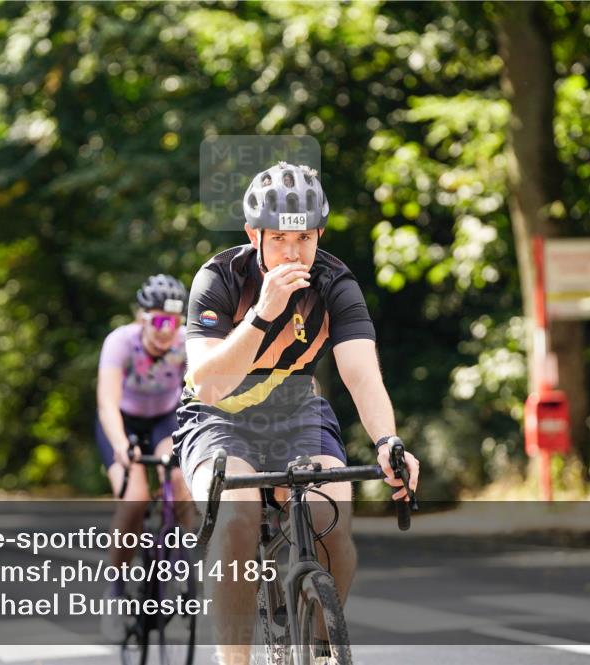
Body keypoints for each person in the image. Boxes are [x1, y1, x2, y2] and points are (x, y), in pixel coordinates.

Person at [173, 161, 421, 664]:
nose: (293, 253)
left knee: (332, 511)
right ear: (254, 234)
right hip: (216, 418)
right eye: (280, 240)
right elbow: (210, 382)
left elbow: (360, 372)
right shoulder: (219, 279)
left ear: (320, 235)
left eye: (305, 239)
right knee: (238, 516)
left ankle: (323, 645)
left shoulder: (335, 283)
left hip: (296, 409)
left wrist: (387, 442)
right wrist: (263, 314)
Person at [95, 274, 192, 639]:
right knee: (133, 499)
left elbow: (198, 398)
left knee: (181, 479)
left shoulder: (186, 344)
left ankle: (182, 569)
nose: (168, 330)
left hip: (164, 420)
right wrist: (121, 445)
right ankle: (116, 593)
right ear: (143, 318)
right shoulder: (120, 342)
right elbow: (106, 403)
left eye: (176, 321)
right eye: (160, 321)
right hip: (124, 420)